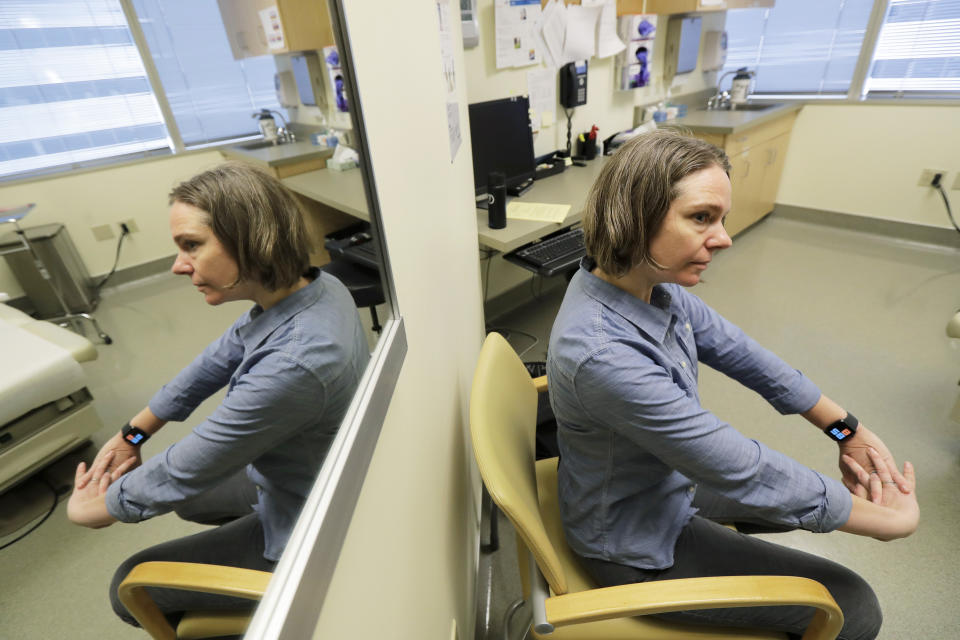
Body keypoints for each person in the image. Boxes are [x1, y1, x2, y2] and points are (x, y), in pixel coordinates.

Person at [545, 130, 918, 640]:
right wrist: (890, 522)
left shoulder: (638, 283)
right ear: (635, 215)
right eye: (701, 218)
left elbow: (744, 354)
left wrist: (845, 430)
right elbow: (743, 469)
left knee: (795, 506)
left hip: (661, 483)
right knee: (853, 605)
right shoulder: (603, 354)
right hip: (633, 542)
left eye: (720, 218)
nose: (723, 238)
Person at [66, 162, 370, 627]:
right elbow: (218, 358)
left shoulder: (296, 362)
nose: (178, 265)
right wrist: (133, 435)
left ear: (253, 239)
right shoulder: (316, 286)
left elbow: (185, 468)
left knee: (130, 584)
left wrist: (96, 507)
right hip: (308, 465)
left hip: (312, 519)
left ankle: (276, 591)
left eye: (192, 245)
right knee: (192, 501)